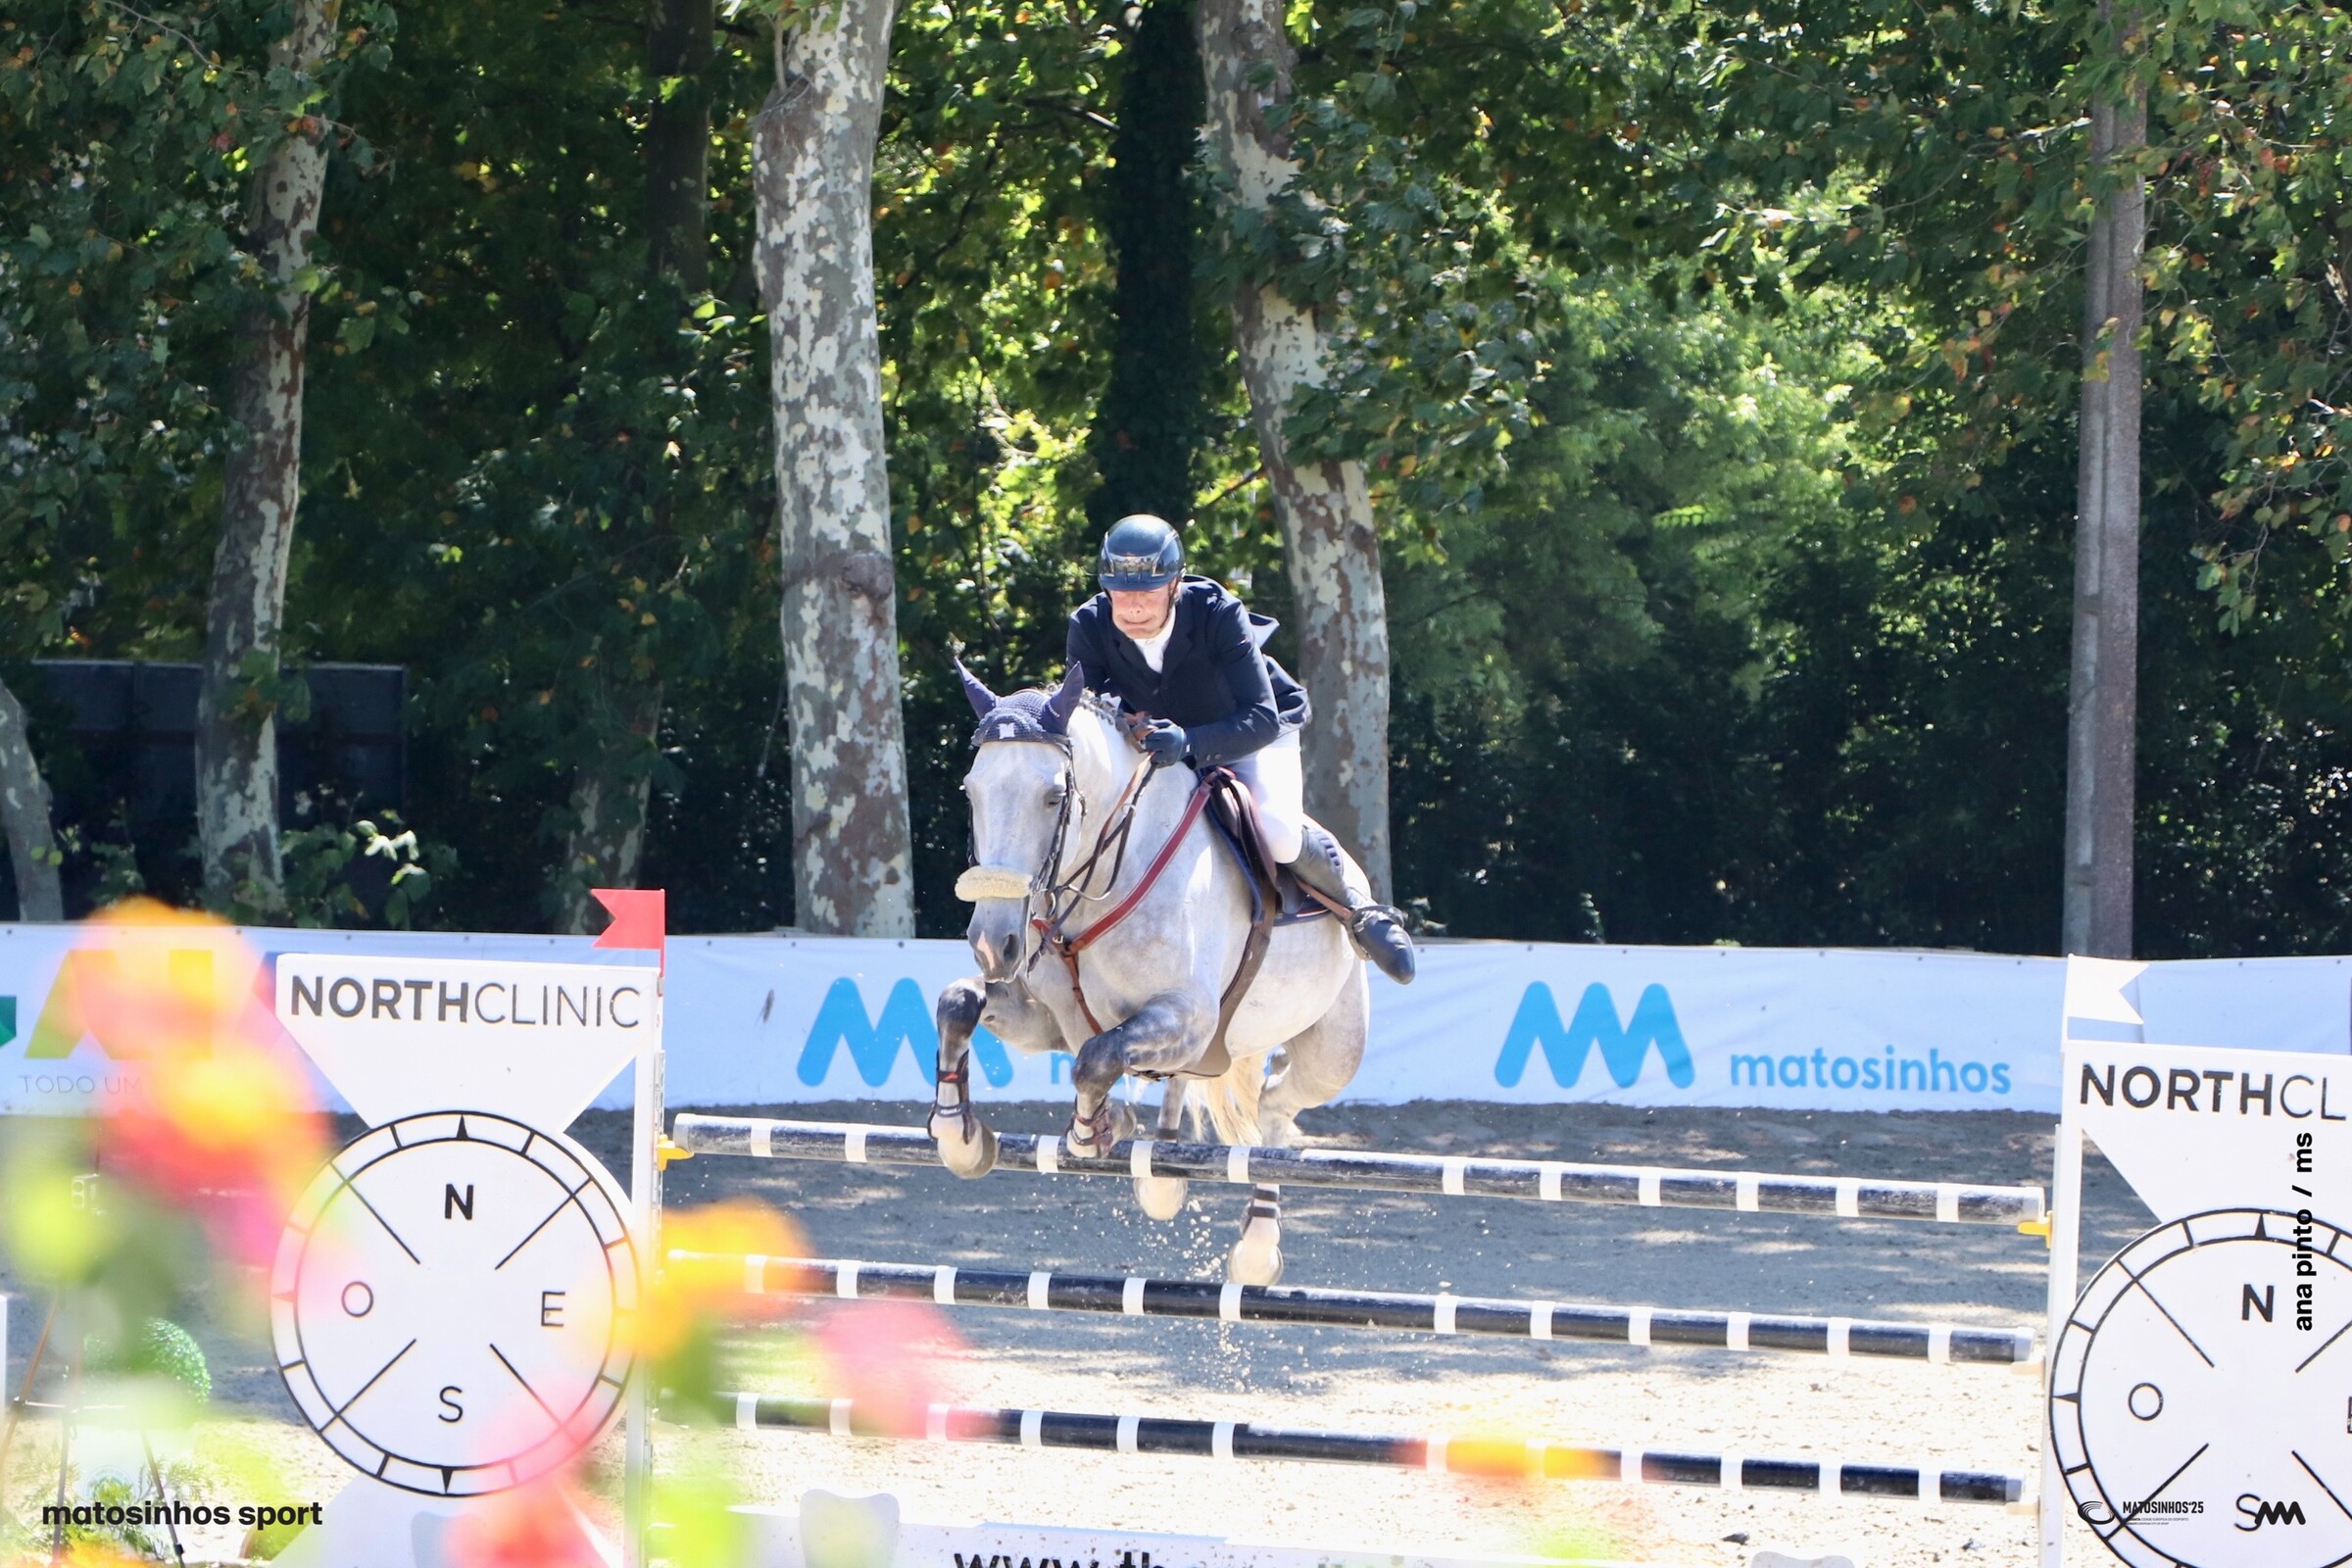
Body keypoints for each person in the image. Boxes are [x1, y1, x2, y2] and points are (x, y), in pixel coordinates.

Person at [1065, 514, 1416, 984]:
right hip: (1158, 746)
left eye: (1147, 591)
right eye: (1119, 592)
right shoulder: (1088, 625)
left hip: (1249, 730)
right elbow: (1087, 717)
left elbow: (1261, 717)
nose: (1132, 607)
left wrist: (1190, 743)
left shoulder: (1218, 613)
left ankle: (1359, 909)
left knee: (1277, 831)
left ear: (1175, 585)